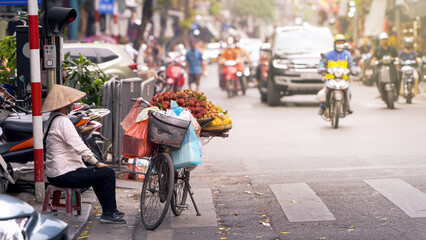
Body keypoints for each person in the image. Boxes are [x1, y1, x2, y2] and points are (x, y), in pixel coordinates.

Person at [42, 85, 126, 224]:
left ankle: (111, 209)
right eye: (71, 103)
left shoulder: (51, 119)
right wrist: (96, 162)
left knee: (99, 173)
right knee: (107, 173)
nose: (73, 105)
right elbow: (79, 146)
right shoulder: (63, 121)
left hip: (54, 173)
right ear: (66, 105)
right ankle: (108, 213)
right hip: (64, 174)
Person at [317, 34, 357, 115]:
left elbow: (352, 64)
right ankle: (322, 107)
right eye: (338, 42)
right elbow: (322, 63)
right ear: (335, 43)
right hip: (330, 78)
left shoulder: (347, 54)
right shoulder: (328, 54)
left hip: (343, 79)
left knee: (349, 93)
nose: (340, 44)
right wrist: (321, 69)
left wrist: (354, 70)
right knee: (325, 92)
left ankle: (347, 106)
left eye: (342, 42)